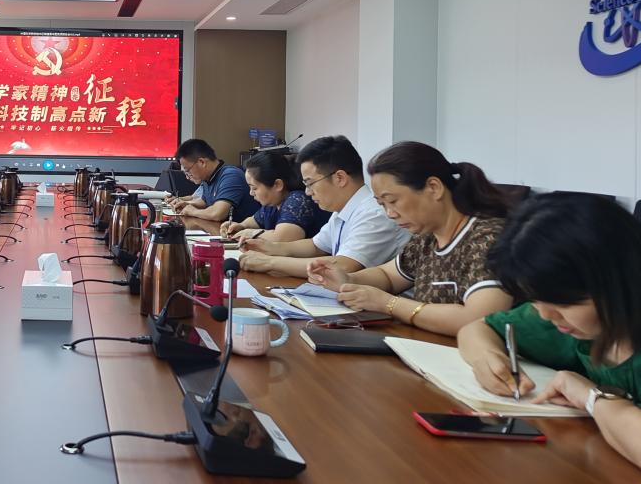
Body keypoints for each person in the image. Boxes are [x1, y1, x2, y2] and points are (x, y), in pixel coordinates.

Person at [458, 193, 641, 481]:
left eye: (563, 303)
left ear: (620, 281)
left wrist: (590, 396)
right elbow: (475, 329)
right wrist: (489, 358)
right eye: (535, 300)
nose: (546, 315)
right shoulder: (573, 322)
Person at [307, 141, 513, 335]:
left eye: (393, 201)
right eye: (382, 205)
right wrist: (349, 280)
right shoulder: (427, 238)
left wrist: (389, 304)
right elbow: (388, 276)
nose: (390, 213)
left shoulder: (487, 238)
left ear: (434, 188)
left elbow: (478, 319)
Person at [239, 135, 408, 277]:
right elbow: (316, 246)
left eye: (310, 183)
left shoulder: (374, 213)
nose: (307, 192)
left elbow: (344, 266)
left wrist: (270, 262)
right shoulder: (343, 209)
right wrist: (270, 247)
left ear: (339, 178)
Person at [220, 151, 329, 243]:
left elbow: (282, 238)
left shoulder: (298, 200)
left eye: (254, 188)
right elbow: (253, 221)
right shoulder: (272, 204)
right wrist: (239, 226)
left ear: (277, 185)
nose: (251, 193)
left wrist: (251, 233)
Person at [164, 138, 259, 223]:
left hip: (243, 233)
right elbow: (205, 202)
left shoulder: (231, 175)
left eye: (187, 170)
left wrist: (193, 211)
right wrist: (186, 204)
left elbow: (218, 214)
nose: (187, 176)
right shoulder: (208, 178)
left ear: (201, 162)